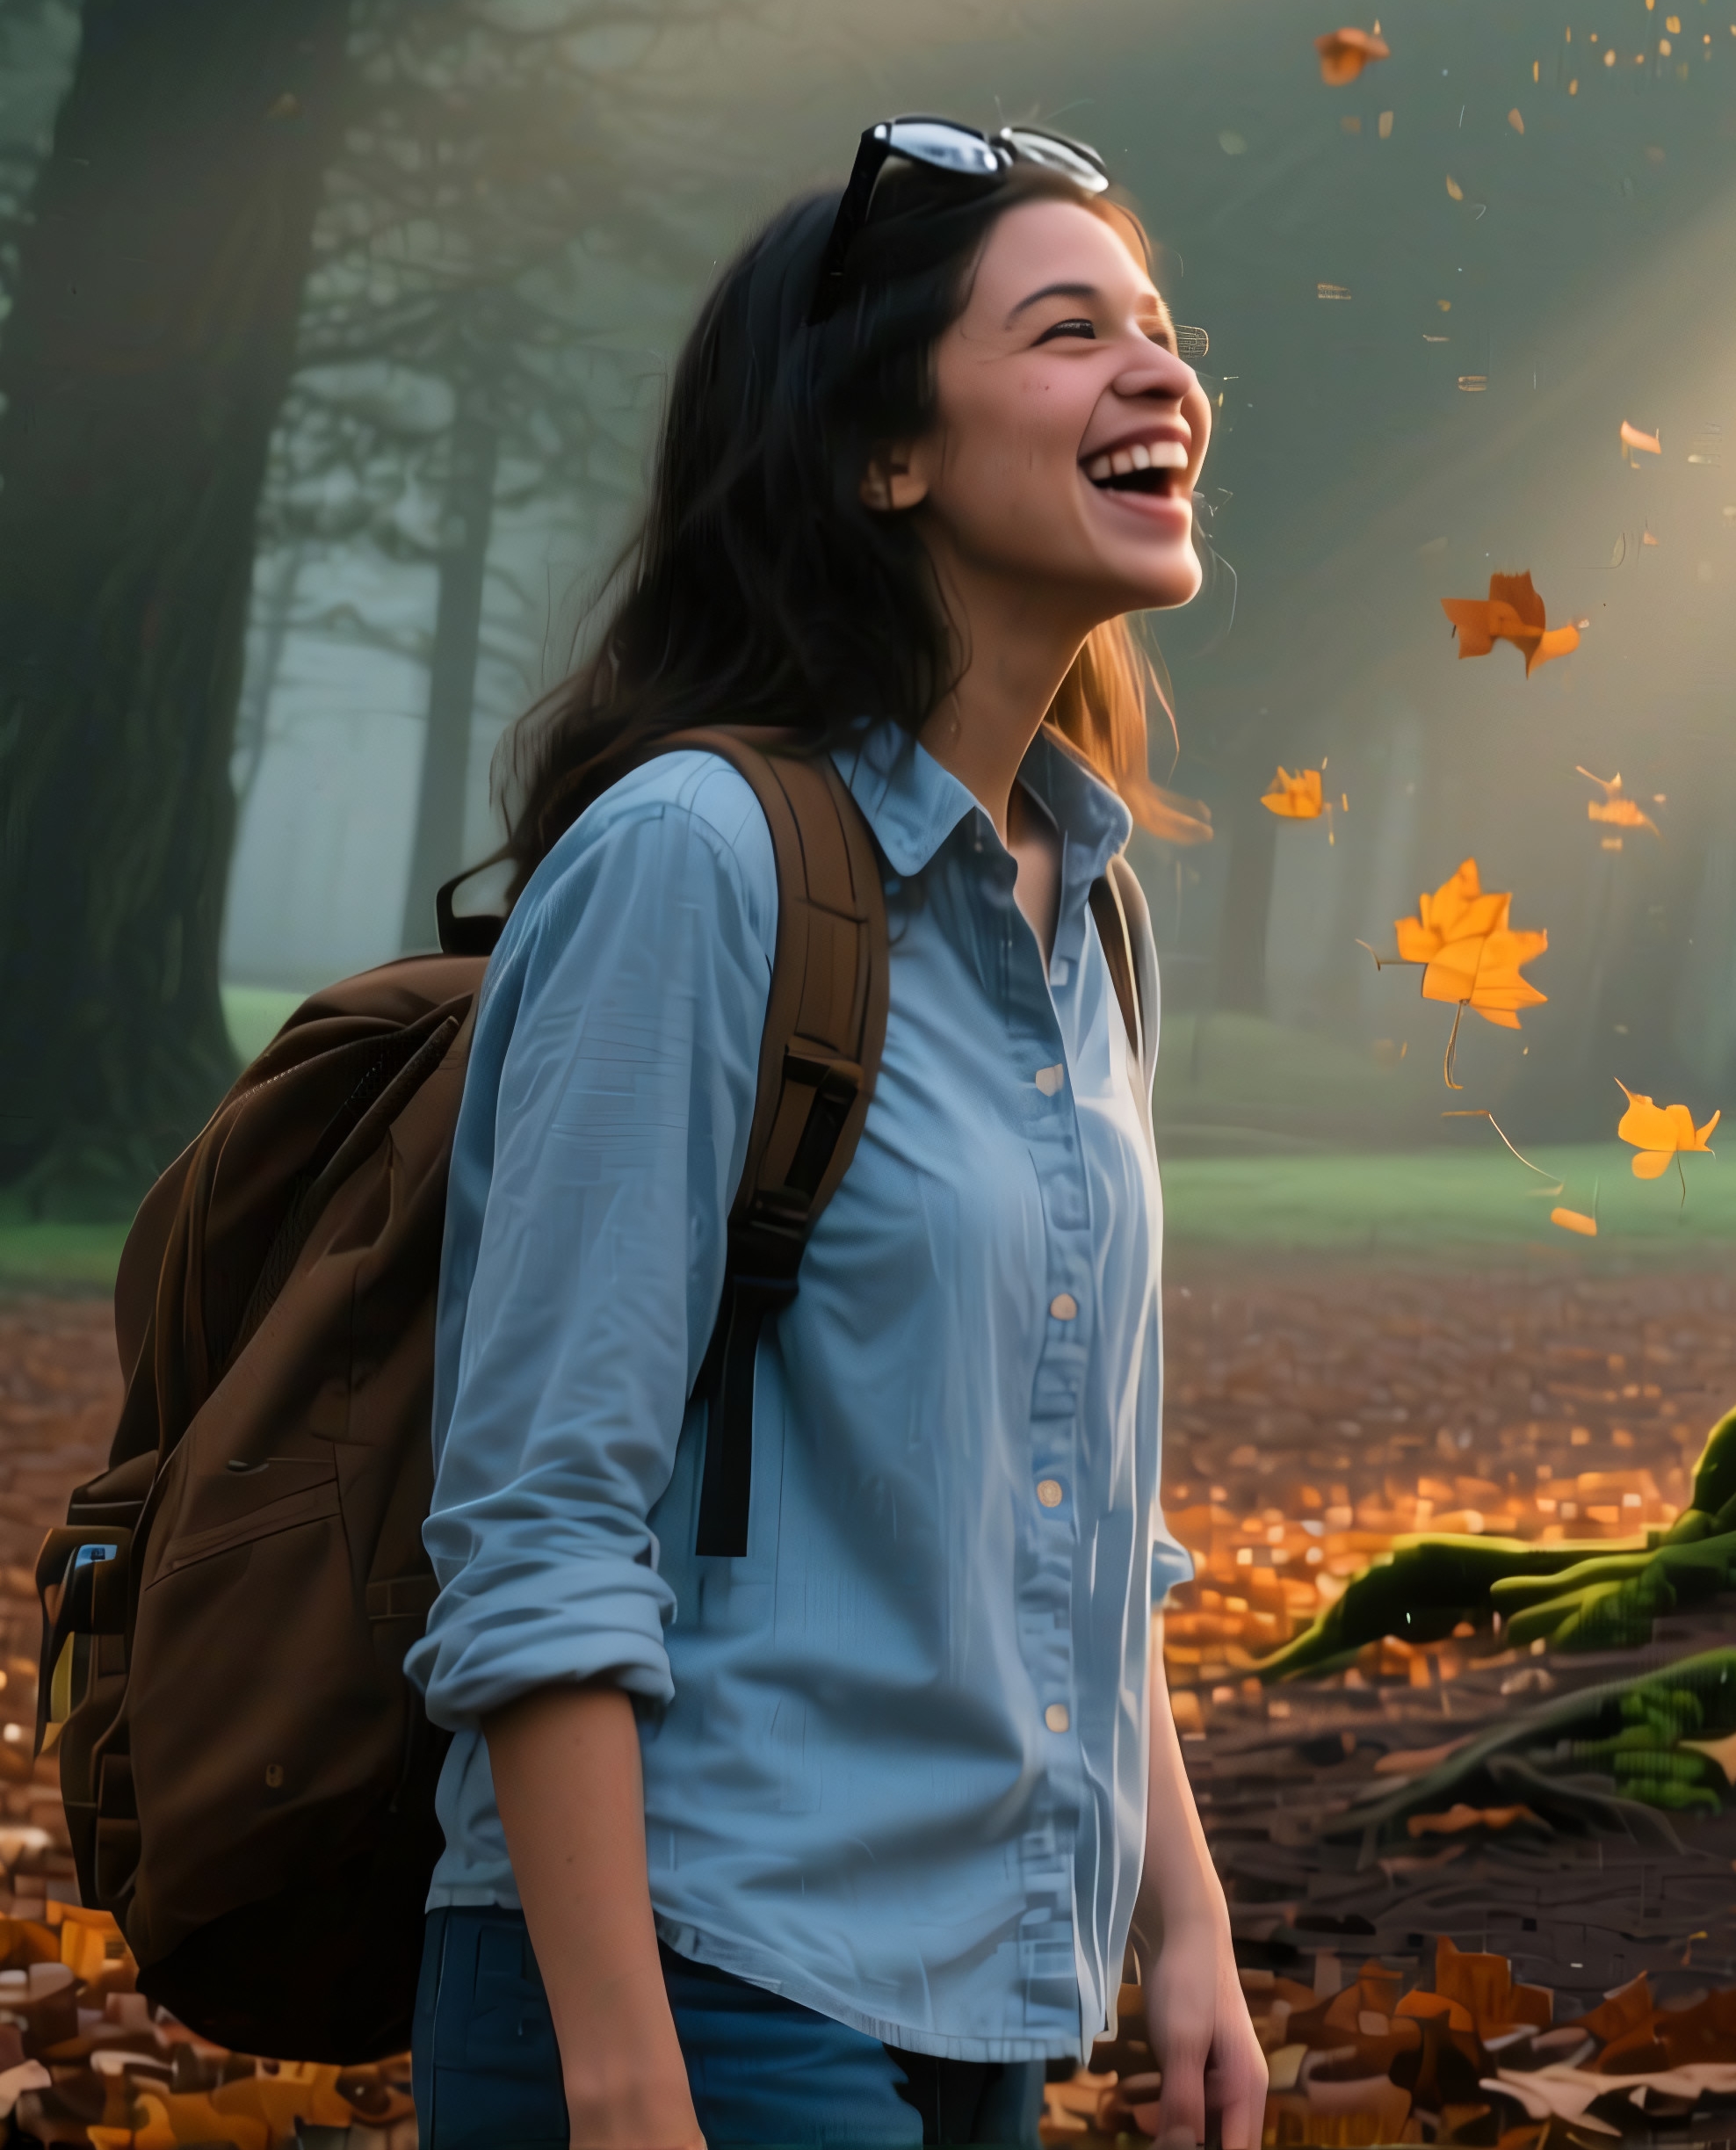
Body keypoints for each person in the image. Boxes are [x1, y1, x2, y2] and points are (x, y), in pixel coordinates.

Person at [403, 121, 1269, 2150]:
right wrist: (624, 2078)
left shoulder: (1086, 901)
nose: (1163, 375)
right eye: (1072, 335)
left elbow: (1064, 1498)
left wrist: (1185, 1924)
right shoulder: (694, 863)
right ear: (883, 452)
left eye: (1161, 332)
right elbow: (538, 1522)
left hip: (979, 1997)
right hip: (696, 1974)